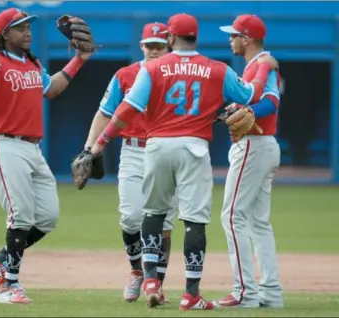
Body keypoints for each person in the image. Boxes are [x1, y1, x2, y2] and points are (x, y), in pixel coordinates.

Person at [84, 13, 278, 311]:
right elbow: (251, 93)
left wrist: (99, 143)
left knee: (152, 212)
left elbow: (127, 108)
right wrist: (264, 67)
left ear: (171, 39)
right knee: (194, 220)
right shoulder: (218, 68)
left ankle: (150, 279)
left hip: (157, 146)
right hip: (194, 147)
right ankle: (191, 294)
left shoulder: (153, 68)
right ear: (195, 37)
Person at [0, 8, 93, 304]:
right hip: (3, 144)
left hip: (32, 148)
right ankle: (9, 286)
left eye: (28, 26)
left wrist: (80, 59)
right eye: (20, 27)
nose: (28, 32)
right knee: (20, 214)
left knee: (47, 217)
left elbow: (52, 89)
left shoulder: (32, 64)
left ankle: (0, 260)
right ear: (4, 33)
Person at [83, 22, 177, 303]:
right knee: (131, 217)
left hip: (167, 150)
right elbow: (105, 113)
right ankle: (137, 271)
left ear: (169, 45)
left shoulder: (178, 75)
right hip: (134, 150)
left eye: (160, 45)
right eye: (150, 45)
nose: (155, 51)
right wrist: (90, 149)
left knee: (165, 223)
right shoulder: (125, 75)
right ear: (141, 46)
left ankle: (156, 284)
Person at [214, 14, 283, 308]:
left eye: (234, 35)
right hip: (262, 146)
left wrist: (251, 112)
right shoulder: (255, 65)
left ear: (247, 39)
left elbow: (272, 101)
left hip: (254, 145)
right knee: (257, 222)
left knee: (232, 217)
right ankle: (271, 293)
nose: (230, 40)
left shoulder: (263, 63)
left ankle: (245, 293)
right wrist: (238, 107)